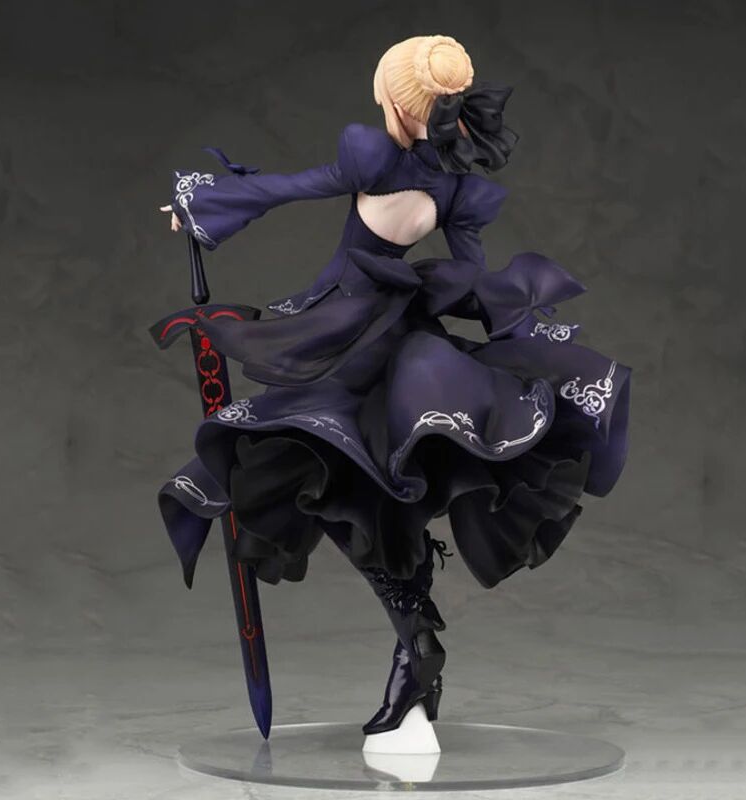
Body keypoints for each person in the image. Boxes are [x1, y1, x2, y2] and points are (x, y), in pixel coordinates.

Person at [157, 34, 631, 736]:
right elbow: (474, 276)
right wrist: (522, 334)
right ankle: (415, 642)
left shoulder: (373, 156)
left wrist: (200, 206)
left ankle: (415, 630)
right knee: (368, 487)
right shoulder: (458, 185)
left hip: (342, 336)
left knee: (306, 471)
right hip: (406, 337)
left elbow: (292, 187)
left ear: (393, 100)